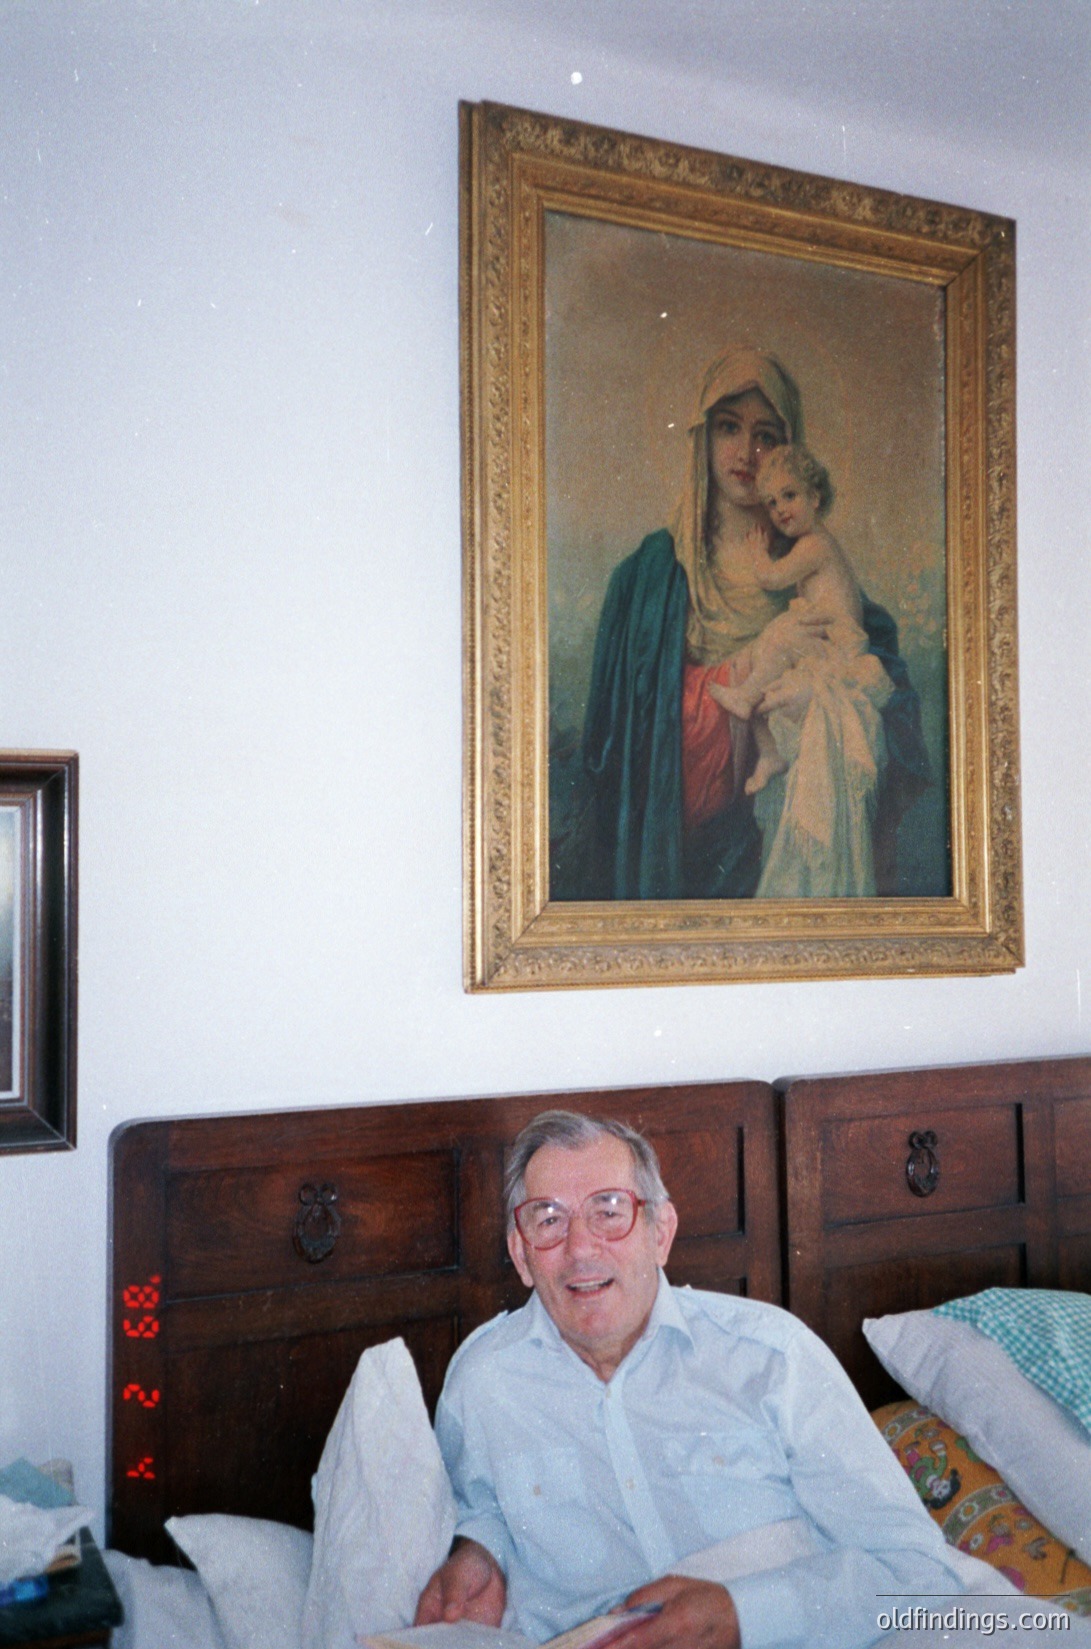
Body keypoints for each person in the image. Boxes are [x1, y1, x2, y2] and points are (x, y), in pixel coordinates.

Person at [415, 1110, 964, 1649]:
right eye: (549, 1219)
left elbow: (919, 1573)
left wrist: (742, 1615)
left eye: (609, 1211)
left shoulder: (773, 1358)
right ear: (521, 1253)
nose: (580, 1249)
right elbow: (480, 1508)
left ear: (661, 1232)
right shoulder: (483, 1383)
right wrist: (479, 1554)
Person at [564, 348, 929, 902]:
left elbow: (888, 708)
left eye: (765, 436)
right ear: (701, 438)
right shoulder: (647, 576)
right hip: (679, 848)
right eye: (728, 428)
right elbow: (621, 741)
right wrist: (756, 658)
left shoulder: (817, 571)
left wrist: (825, 704)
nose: (745, 453)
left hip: (776, 835)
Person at [706, 444, 896, 896]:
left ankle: (747, 694)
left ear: (815, 497)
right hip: (821, 642)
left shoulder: (815, 545)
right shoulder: (810, 543)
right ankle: (770, 750)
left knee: (774, 641)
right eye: (770, 503)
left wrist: (757, 557)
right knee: (770, 655)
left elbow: (771, 579)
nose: (779, 510)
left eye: (789, 496)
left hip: (836, 648)